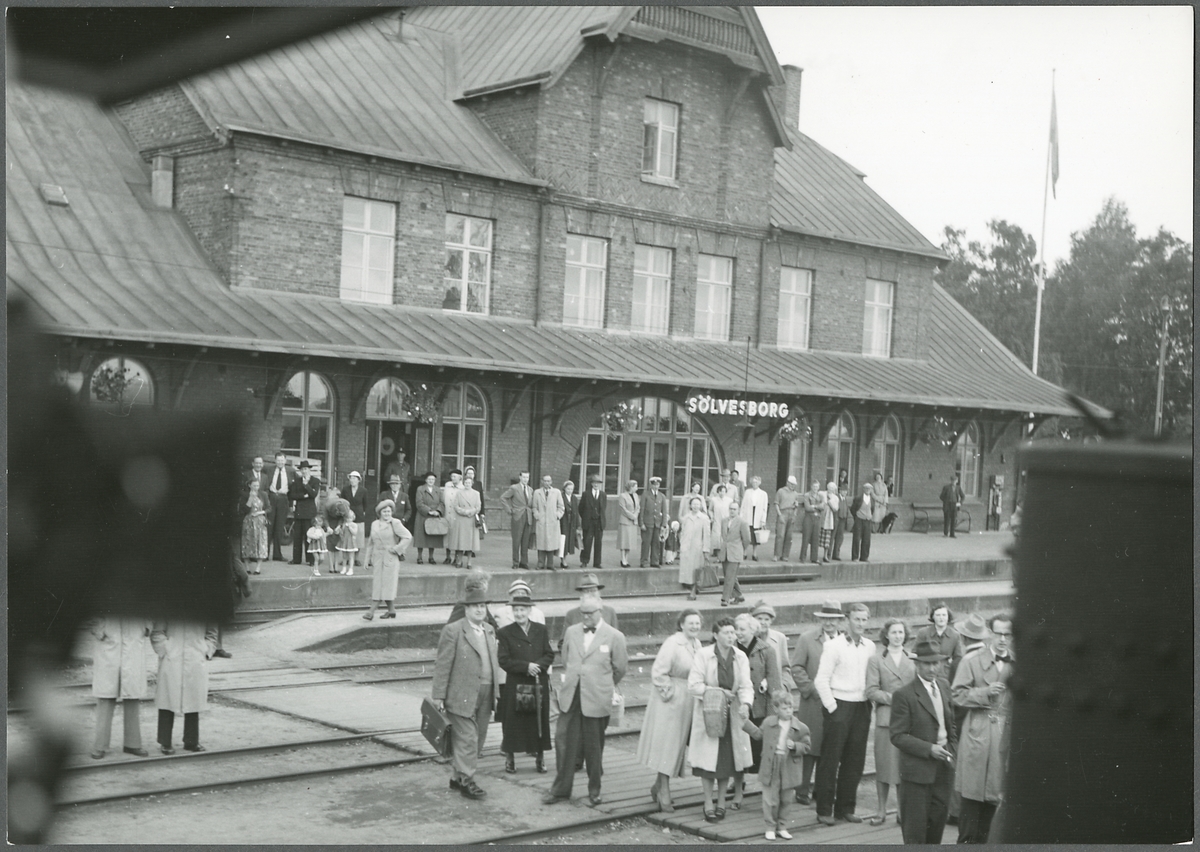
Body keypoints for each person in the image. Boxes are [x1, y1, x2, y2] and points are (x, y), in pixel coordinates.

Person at [542, 599, 628, 807]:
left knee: (594, 747)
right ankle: (560, 790)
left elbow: (620, 668)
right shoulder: (572, 632)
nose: (586, 617)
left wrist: (602, 684)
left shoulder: (615, 636)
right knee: (563, 742)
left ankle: (594, 791)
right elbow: (566, 659)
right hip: (572, 695)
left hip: (597, 698)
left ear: (601, 611)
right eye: (583, 614)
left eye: (590, 613)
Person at [432, 583, 501, 801]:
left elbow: (493, 662)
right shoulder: (454, 630)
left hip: (487, 692)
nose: (480, 610)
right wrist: (439, 696)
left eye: (483, 606)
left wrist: (497, 693)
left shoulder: (489, 630)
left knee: (477, 738)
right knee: (467, 738)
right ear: (466, 609)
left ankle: (456, 777)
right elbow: (443, 664)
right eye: (475, 607)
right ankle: (467, 780)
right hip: (461, 693)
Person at [951, 613, 1013, 843]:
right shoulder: (972, 661)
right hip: (977, 731)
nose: (1003, 639)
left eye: (1008, 634)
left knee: (995, 799)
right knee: (972, 797)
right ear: (990, 634)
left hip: (1004, 735)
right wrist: (984, 693)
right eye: (998, 633)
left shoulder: (1019, 663)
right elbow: (956, 695)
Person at [813, 602, 875, 825]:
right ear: (847, 620)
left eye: (864, 619)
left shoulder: (870, 646)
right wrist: (832, 707)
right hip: (839, 706)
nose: (860, 623)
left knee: (855, 760)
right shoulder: (834, 646)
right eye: (856, 619)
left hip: (862, 707)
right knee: (831, 759)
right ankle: (824, 809)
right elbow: (820, 680)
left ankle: (845, 808)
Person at [890, 639, 958, 844]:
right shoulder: (904, 695)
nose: (933, 668)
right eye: (927, 663)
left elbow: (951, 723)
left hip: (944, 769)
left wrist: (952, 748)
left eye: (936, 663)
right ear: (917, 664)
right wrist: (929, 749)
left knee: (937, 826)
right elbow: (897, 735)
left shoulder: (944, 686)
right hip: (917, 772)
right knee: (915, 831)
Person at [687, 616, 753, 822]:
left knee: (726, 761)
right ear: (715, 635)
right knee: (708, 762)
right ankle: (708, 802)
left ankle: (722, 802)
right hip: (710, 713)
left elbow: (746, 685)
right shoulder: (703, 655)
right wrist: (717, 692)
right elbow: (693, 685)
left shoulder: (740, 656)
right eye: (726, 633)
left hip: (731, 716)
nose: (731, 636)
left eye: (733, 632)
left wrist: (745, 704)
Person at [637, 608, 702, 813]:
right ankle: (664, 791)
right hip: (671, 701)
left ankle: (658, 786)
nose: (695, 626)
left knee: (676, 746)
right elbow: (658, 672)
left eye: (697, 623)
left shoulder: (697, 644)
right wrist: (669, 694)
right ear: (681, 624)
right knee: (667, 745)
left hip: (688, 699)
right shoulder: (673, 643)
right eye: (690, 623)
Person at [789, 600, 846, 805]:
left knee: (830, 748)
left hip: (838, 701)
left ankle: (822, 791)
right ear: (820, 619)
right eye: (825, 619)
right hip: (813, 702)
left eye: (834, 619)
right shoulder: (807, 639)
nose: (829, 623)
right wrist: (813, 689)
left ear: (840, 621)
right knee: (809, 746)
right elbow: (796, 668)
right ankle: (801, 789)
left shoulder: (845, 641)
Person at [495, 584, 553, 774]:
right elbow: (503, 660)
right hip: (516, 682)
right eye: (516, 610)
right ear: (512, 612)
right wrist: (525, 667)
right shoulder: (504, 633)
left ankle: (540, 757)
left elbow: (549, 654)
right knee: (513, 722)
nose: (519, 613)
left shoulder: (541, 630)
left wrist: (538, 666)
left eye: (522, 610)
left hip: (538, 681)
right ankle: (510, 759)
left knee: (538, 720)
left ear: (530, 610)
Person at [865, 617, 917, 826]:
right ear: (886, 635)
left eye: (901, 632)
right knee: (884, 766)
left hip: (910, 721)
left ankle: (902, 812)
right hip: (886, 721)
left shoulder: (913, 659)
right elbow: (870, 691)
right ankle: (880, 811)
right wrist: (894, 698)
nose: (898, 636)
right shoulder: (876, 660)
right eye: (894, 632)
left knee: (904, 767)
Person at [743, 689, 812, 841]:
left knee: (786, 798)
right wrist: (745, 722)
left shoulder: (801, 727)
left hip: (789, 765)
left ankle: (782, 826)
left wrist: (794, 745)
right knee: (770, 798)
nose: (788, 711)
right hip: (771, 764)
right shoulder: (768, 723)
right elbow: (758, 735)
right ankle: (770, 826)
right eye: (784, 708)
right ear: (776, 709)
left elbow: (807, 746)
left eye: (790, 707)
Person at [729, 613, 783, 810]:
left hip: (760, 708)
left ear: (753, 630)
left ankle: (766, 793)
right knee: (738, 750)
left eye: (742, 629)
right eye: (737, 629)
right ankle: (737, 791)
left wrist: (773, 715)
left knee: (761, 751)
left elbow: (775, 683)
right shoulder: (731, 648)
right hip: (738, 707)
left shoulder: (766, 650)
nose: (738, 633)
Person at [944, 612, 990, 828]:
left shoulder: (962, 662)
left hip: (963, 718)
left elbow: (954, 695)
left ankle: (956, 812)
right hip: (987, 719)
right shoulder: (990, 658)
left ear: (963, 638)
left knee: (959, 765)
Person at [150, 619, 219, 754]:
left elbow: (212, 632)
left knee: (193, 699)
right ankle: (165, 741)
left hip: (195, 656)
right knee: (167, 699)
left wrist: (206, 649)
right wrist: (165, 649)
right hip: (172, 656)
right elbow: (157, 631)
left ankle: (191, 741)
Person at [89, 614, 151, 759]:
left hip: (134, 638)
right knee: (105, 695)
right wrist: (99, 629)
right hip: (109, 641)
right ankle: (100, 745)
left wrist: (146, 626)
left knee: (132, 694)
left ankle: (132, 744)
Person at [362, 499, 412, 620]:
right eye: (384, 512)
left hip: (390, 558)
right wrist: (366, 559)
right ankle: (391, 610)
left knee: (386, 584)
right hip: (377, 557)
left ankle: (371, 611)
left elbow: (407, 537)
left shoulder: (395, 523)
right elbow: (370, 543)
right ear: (380, 513)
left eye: (389, 511)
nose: (387, 514)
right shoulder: (374, 524)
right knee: (379, 583)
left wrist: (397, 548)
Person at [751, 600, 796, 694]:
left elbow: (785, 667)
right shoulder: (747, 638)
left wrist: (784, 686)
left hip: (774, 691)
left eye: (766, 619)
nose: (763, 622)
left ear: (771, 621)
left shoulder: (779, 638)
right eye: (759, 618)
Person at [916, 603, 965, 682]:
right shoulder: (923, 633)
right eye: (938, 615)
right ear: (933, 617)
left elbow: (958, 658)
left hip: (946, 675)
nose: (941, 618)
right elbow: (915, 653)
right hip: (927, 673)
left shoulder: (955, 635)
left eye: (944, 615)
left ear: (948, 617)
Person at [718, 500, 752, 606]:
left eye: (734, 509)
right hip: (725, 551)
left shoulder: (742, 522)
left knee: (729, 577)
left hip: (736, 551)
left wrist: (741, 549)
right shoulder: (724, 521)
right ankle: (739, 595)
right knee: (729, 575)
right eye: (730, 509)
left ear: (738, 510)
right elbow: (723, 536)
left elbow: (747, 539)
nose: (732, 511)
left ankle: (725, 599)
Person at [500, 471, 535, 571]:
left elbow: (530, 503)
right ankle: (515, 562)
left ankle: (524, 562)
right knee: (516, 540)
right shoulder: (514, 488)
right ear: (520, 477)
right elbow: (503, 498)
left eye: (527, 477)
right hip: (517, 516)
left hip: (528, 516)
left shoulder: (530, 489)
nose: (525, 479)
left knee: (525, 541)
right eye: (524, 477)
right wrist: (509, 510)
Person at [678, 495, 710, 600]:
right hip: (686, 547)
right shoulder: (686, 518)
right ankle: (693, 588)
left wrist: (706, 550)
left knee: (695, 570)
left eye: (698, 504)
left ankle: (693, 592)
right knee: (687, 570)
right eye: (693, 504)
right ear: (690, 506)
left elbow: (706, 535)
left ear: (701, 506)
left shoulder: (704, 518)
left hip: (698, 548)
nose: (695, 506)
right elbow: (683, 532)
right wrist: (682, 545)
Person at [288, 460, 320, 565]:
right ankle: (296, 559)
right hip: (299, 511)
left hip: (309, 512)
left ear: (309, 470)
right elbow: (292, 495)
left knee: (309, 536)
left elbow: (313, 494)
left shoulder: (315, 481)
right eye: (302, 469)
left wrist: (306, 485)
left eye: (306, 469)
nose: (304, 471)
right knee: (297, 537)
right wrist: (303, 496)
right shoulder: (297, 481)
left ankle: (310, 559)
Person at [532, 474, 565, 570]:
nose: (547, 483)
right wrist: (537, 516)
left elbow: (561, 506)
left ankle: (550, 564)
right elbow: (534, 507)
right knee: (541, 543)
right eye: (545, 481)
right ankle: (540, 563)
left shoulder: (556, 492)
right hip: (541, 522)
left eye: (548, 481)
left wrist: (557, 515)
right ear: (542, 481)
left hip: (552, 521)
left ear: (551, 482)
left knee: (551, 543)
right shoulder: (537, 492)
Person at [412, 472, 445, 565]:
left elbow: (442, 503)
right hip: (423, 515)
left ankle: (431, 557)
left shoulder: (438, 490)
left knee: (432, 537)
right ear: (426, 480)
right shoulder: (420, 489)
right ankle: (419, 557)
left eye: (433, 479)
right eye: (429, 479)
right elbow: (419, 502)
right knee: (421, 537)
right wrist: (429, 510)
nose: (431, 481)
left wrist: (438, 511)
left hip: (434, 515)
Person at [451, 473, 483, 569]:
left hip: (471, 520)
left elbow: (478, 507)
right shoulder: (459, 493)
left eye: (469, 482)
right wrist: (465, 512)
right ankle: (459, 561)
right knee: (461, 542)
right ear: (463, 483)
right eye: (466, 482)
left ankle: (469, 562)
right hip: (461, 520)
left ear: (472, 483)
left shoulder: (476, 494)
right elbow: (455, 506)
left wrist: (471, 512)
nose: (467, 484)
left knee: (470, 543)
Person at [266, 450, 292, 562]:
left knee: (279, 527)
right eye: (278, 460)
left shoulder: (291, 471)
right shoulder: (269, 470)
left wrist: (291, 504)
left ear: (285, 461)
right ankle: (265, 554)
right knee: (269, 527)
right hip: (271, 498)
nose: (280, 462)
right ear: (275, 461)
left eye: (282, 460)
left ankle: (277, 555)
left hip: (283, 499)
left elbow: (294, 488)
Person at [638, 476, 669, 567]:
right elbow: (642, 509)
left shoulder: (661, 496)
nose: (656, 486)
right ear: (650, 485)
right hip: (647, 523)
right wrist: (641, 523)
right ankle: (644, 561)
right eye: (654, 485)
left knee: (656, 543)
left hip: (657, 523)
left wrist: (664, 523)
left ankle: (654, 561)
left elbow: (664, 511)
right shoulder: (645, 495)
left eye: (657, 485)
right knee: (646, 543)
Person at [578, 474, 607, 568]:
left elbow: (603, 508)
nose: (596, 485)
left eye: (598, 483)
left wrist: (599, 517)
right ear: (591, 483)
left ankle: (597, 563)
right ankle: (584, 561)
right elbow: (580, 508)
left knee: (598, 543)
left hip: (599, 522)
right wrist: (587, 517)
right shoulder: (586, 494)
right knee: (587, 541)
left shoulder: (603, 494)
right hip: (589, 522)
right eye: (594, 482)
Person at [241, 477, 268, 573]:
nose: (256, 487)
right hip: (248, 521)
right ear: (249, 485)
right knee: (247, 543)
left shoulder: (263, 494)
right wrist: (250, 498)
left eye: (257, 485)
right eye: (254, 485)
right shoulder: (244, 495)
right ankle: (247, 567)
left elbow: (269, 508)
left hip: (260, 521)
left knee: (261, 543)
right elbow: (244, 510)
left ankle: (258, 568)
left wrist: (260, 513)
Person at [739, 476, 769, 560]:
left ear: (759, 483)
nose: (754, 484)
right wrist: (741, 516)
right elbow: (743, 505)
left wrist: (763, 520)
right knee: (746, 535)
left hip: (757, 516)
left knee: (756, 536)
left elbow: (764, 508)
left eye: (756, 482)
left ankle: (754, 553)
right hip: (748, 515)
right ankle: (744, 552)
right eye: (753, 482)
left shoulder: (763, 494)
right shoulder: (747, 492)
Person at [342, 470, 369, 564]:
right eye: (351, 478)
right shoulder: (345, 489)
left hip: (359, 515)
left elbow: (366, 504)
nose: (352, 480)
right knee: (346, 536)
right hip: (347, 514)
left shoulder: (363, 491)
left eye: (354, 478)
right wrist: (346, 512)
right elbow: (342, 501)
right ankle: (346, 559)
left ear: (358, 480)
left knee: (358, 537)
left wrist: (362, 512)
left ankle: (356, 559)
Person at [772, 476, 800, 561]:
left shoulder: (795, 494)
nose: (792, 486)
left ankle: (785, 555)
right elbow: (776, 504)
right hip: (783, 512)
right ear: (787, 483)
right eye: (791, 484)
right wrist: (779, 515)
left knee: (789, 536)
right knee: (780, 535)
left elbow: (796, 506)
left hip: (791, 513)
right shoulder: (780, 491)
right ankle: (777, 555)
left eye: (794, 484)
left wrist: (795, 515)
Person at [798, 479, 825, 563]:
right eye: (814, 486)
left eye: (816, 486)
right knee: (806, 537)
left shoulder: (821, 496)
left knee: (815, 538)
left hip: (817, 518)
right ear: (811, 486)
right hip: (808, 518)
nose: (815, 488)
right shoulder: (806, 495)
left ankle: (814, 558)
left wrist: (814, 506)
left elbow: (823, 507)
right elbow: (807, 507)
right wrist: (817, 506)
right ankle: (802, 557)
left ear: (819, 487)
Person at [441, 469, 464, 565]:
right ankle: (447, 557)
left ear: (460, 477)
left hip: (457, 516)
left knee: (456, 537)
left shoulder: (462, 488)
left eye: (455, 476)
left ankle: (456, 558)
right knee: (447, 536)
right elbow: (443, 499)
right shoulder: (447, 485)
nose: (453, 478)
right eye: (452, 476)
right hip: (447, 514)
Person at [616, 479, 640, 567]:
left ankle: (627, 558)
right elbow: (623, 509)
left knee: (630, 542)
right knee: (624, 541)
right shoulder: (623, 496)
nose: (637, 488)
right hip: (625, 521)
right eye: (636, 486)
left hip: (633, 522)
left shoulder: (636, 495)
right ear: (631, 487)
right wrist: (632, 516)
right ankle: (623, 559)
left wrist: (635, 515)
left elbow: (638, 507)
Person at [849, 483, 874, 562]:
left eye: (869, 489)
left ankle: (864, 557)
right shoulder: (858, 498)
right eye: (866, 488)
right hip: (859, 519)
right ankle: (855, 557)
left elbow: (872, 509)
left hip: (868, 520)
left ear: (871, 490)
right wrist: (856, 516)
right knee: (856, 538)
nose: (867, 490)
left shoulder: (872, 499)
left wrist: (869, 516)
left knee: (867, 539)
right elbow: (853, 509)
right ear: (863, 489)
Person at [559, 479, 580, 570]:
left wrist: (578, 524)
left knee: (569, 542)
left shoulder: (574, 498)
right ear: (564, 489)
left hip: (572, 522)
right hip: (563, 522)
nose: (570, 491)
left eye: (571, 489)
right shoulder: (561, 496)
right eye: (568, 489)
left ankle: (565, 558)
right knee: (563, 541)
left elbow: (576, 511)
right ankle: (563, 560)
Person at [708, 483, 734, 555]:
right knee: (716, 535)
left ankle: (725, 551)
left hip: (726, 520)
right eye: (720, 491)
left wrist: (731, 518)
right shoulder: (714, 500)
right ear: (718, 492)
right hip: (717, 519)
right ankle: (716, 551)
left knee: (725, 535)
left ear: (726, 492)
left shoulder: (729, 500)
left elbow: (732, 510)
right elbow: (710, 509)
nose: (722, 493)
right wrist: (712, 517)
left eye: (723, 491)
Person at [830, 482, 850, 561]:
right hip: (836, 519)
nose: (844, 492)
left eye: (846, 491)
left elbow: (847, 509)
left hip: (842, 520)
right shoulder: (836, 498)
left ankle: (836, 554)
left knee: (840, 538)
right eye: (843, 490)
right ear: (840, 491)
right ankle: (828, 554)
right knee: (832, 536)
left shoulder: (845, 499)